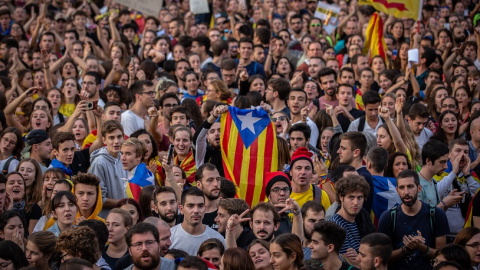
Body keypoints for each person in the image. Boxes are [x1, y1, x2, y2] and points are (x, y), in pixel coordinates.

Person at [377, 169, 449, 270]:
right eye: (402, 187)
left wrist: (422, 248)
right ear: (397, 190)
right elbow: (382, 257)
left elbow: (442, 256)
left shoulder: (436, 215)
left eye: (410, 186)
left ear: (419, 188)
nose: (406, 192)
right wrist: (406, 249)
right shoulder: (388, 217)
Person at [327, 174, 374, 261]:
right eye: (351, 197)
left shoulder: (360, 218)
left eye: (359, 197)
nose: (356, 202)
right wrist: (361, 257)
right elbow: (349, 261)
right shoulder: (336, 225)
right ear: (341, 197)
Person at [169, 187, 225, 255]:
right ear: (181, 209)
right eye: (190, 206)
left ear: (205, 209)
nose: (196, 211)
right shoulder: (170, 237)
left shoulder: (217, 239)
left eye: (200, 206)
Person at [88, 120, 127, 217]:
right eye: (111, 138)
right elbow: (99, 199)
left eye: (119, 137)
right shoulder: (99, 163)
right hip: (106, 219)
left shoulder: (123, 157)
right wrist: (125, 202)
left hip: (123, 217)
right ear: (104, 140)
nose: (116, 141)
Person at [337, 131, 374, 211]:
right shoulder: (359, 173)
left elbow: (343, 206)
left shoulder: (362, 177)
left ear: (356, 152)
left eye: (343, 148)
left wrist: (323, 177)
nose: (338, 151)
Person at [195, 163, 221, 230]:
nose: (216, 184)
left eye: (218, 179)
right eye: (210, 180)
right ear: (198, 185)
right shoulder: (193, 213)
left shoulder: (229, 212)